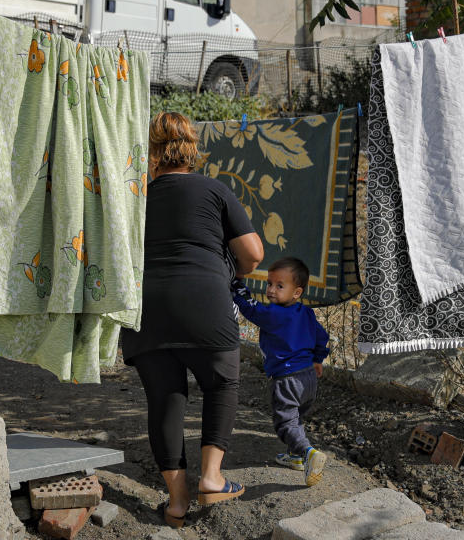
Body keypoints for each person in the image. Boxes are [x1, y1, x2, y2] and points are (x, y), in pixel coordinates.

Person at [122, 111, 264, 528]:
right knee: (221, 383)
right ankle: (211, 478)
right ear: (192, 149)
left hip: (146, 308)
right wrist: (232, 272)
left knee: (164, 398)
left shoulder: (138, 197)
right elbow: (253, 254)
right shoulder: (215, 191)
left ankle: (177, 501)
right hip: (204, 301)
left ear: (153, 153)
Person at [231, 257, 329, 487]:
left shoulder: (274, 314)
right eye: (269, 284)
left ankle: (308, 453)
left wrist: (236, 286)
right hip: (309, 378)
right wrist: (318, 360)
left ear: (296, 292)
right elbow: (321, 336)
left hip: (286, 380)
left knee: (285, 422)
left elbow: (249, 308)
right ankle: (295, 456)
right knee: (297, 417)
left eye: (279, 286)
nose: (271, 290)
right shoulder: (305, 313)